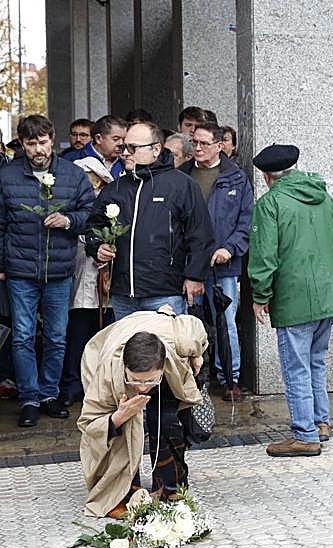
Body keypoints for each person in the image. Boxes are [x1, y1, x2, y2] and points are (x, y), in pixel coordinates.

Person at [248, 144, 333, 452]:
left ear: (266, 176)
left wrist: (261, 295)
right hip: (329, 296)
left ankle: (304, 435)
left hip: (292, 298)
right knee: (316, 362)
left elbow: (264, 256)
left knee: (296, 367)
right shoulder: (324, 197)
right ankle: (320, 423)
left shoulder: (270, 203)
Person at [0, 115, 96, 427]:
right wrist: (2, 264)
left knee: (56, 336)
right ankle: (29, 397)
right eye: (31, 144)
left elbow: (90, 214)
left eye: (43, 142)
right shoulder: (7, 175)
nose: (38, 149)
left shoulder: (72, 173)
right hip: (20, 269)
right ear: (22, 144)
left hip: (59, 269)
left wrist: (68, 221)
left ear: (52, 139)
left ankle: (49, 394)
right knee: (23, 336)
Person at [77, 309, 207, 517]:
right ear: (126, 368)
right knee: (125, 428)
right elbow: (88, 423)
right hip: (107, 349)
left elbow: (196, 327)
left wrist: (198, 353)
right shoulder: (108, 373)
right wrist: (119, 416)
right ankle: (125, 491)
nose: (143, 387)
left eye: (149, 381)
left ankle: (170, 486)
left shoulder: (179, 343)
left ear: (162, 366)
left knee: (166, 420)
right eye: (136, 380)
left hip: (162, 346)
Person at [84, 122, 214, 319]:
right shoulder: (115, 188)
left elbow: (200, 234)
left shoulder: (182, 185)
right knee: (128, 349)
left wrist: (195, 276)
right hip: (123, 292)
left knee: (165, 348)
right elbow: (93, 226)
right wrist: (98, 247)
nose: (125, 153)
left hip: (165, 292)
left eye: (133, 148)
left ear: (156, 149)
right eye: (123, 147)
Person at [179, 122, 253, 401]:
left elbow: (246, 221)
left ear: (219, 146)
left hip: (223, 264)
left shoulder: (235, 178)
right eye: (194, 143)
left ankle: (229, 377)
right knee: (189, 322)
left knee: (226, 321)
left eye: (203, 143)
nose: (197, 148)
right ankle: (192, 376)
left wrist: (230, 248)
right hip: (189, 264)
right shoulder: (182, 175)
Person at [60, 156, 116, 407]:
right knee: (78, 335)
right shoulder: (70, 203)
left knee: (105, 336)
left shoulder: (110, 203)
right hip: (80, 278)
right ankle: (73, 383)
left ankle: (102, 384)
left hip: (107, 282)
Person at [74, 115, 127, 181]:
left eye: (124, 139)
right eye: (116, 139)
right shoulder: (73, 160)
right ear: (98, 138)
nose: (121, 143)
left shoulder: (128, 160)